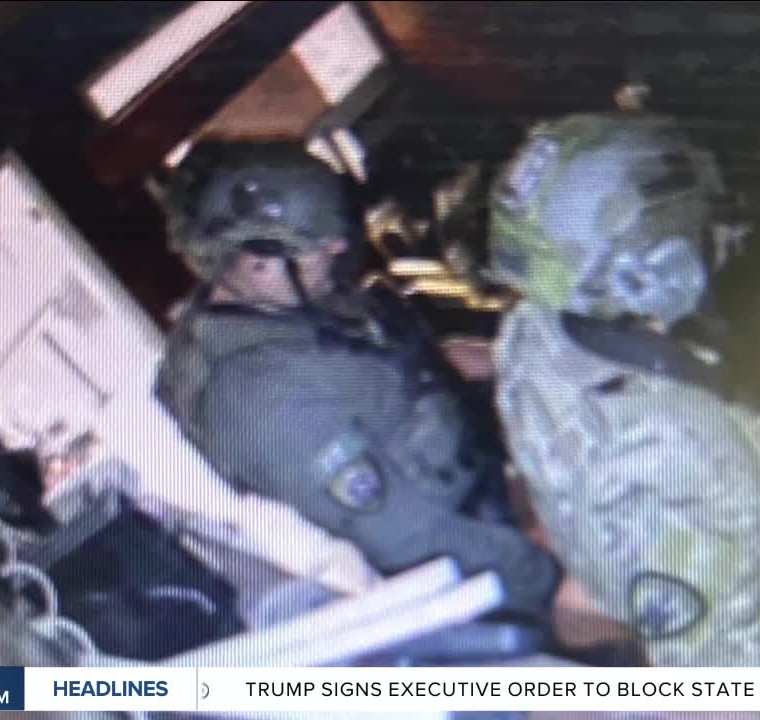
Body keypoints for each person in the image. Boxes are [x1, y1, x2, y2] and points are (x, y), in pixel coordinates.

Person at [482, 112, 760, 665]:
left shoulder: (529, 333)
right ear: (653, 271)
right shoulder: (699, 457)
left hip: (617, 557)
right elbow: (719, 666)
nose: (721, 241)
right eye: (701, 232)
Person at [151, 140, 559, 618]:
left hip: (504, 499)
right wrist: (550, 582)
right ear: (253, 259)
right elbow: (413, 540)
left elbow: (370, 372)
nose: (338, 247)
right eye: (316, 244)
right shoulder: (259, 398)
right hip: (498, 570)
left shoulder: (278, 306)